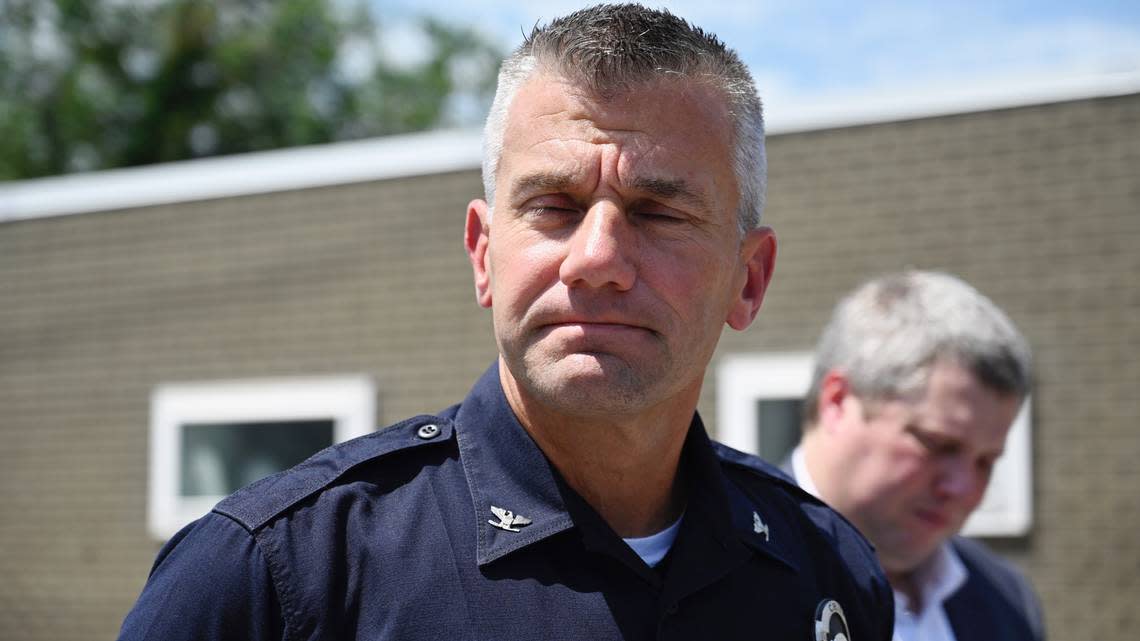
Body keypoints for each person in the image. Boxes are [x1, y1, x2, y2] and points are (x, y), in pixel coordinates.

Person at [118, 5, 893, 639]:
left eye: (658, 212)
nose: (598, 259)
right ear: (484, 254)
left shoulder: (828, 575)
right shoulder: (278, 575)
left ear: (748, 279)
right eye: (553, 206)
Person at [788, 270, 1045, 641]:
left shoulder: (1007, 599)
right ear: (838, 402)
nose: (961, 487)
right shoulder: (725, 572)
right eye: (937, 444)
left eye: (987, 462)